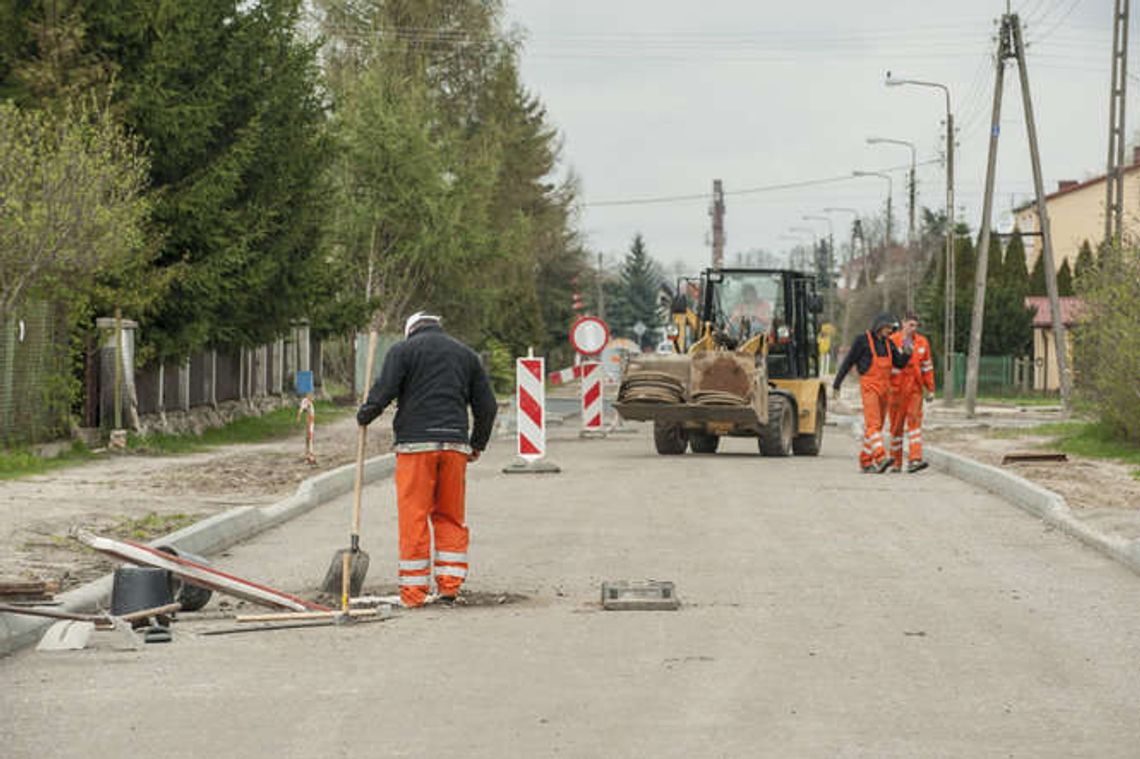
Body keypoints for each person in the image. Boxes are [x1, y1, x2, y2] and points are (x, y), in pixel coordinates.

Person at [357, 311, 497, 608]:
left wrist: (366, 414)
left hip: (415, 446)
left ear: (411, 330)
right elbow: (488, 405)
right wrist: (477, 443)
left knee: (414, 516)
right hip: (454, 445)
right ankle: (449, 586)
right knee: (450, 516)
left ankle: (414, 593)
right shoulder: (467, 355)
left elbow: (385, 390)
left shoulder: (403, 350)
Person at [832, 313, 912, 473]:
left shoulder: (889, 344)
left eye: (891, 329)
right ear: (880, 326)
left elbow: (900, 364)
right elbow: (848, 362)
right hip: (869, 388)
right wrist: (837, 384)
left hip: (885, 389)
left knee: (876, 427)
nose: (890, 331)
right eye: (888, 328)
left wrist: (907, 354)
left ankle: (866, 461)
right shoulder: (862, 340)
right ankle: (881, 458)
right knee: (873, 424)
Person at [889, 312, 936, 473]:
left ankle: (915, 459)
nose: (913, 329)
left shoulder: (922, 342)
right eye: (910, 325)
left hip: (915, 389)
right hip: (896, 390)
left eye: (915, 326)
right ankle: (895, 462)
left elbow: (927, 367)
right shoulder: (893, 341)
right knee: (896, 427)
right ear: (903, 323)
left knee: (914, 424)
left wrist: (930, 389)